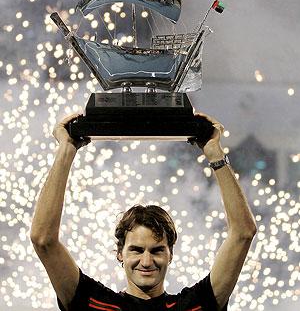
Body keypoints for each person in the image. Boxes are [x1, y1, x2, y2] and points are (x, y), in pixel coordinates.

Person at [30, 113, 257, 311]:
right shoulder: (93, 302)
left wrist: (214, 152)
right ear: (120, 253)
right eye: (136, 250)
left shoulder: (195, 304)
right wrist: (66, 149)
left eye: (157, 250)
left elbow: (243, 233)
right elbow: (43, 239)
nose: (146, 261)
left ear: (171, 254)